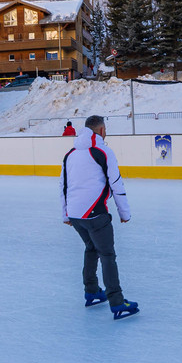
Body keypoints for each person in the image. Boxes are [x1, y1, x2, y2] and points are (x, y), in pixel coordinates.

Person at [61, 115, 136, 319]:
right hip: (95, 214)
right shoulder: (103, 151)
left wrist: (65, 213)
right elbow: (116, 183)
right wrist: (124, 213)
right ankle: (118, 302)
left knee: (91, 248)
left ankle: (92, 291)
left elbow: (64, 185)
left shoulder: (70, 154)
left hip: (76, 215)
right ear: (101, 130)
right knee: (107, 255)